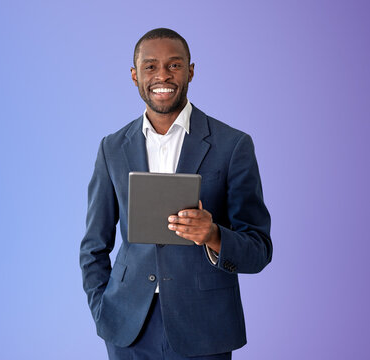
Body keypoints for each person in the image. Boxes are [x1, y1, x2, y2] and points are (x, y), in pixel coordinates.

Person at [79, 28, 272, 360]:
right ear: (134, 75)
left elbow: (259, 250)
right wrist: (103, 308)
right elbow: (94, 246)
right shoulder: (112, 148)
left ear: (191, 71)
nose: (162, 75)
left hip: (205, 326)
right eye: (150, 66)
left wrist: (213, 235)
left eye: (174, 65)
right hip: (127, 326)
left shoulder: (232, 146)